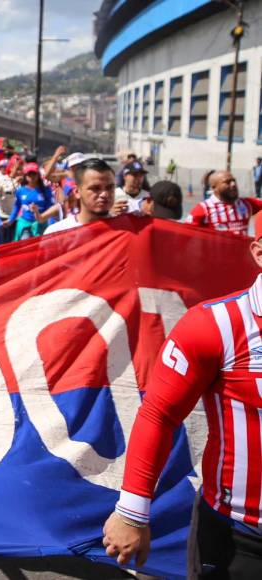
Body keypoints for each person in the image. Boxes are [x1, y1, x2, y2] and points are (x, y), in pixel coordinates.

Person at [102, 213, 262, 577]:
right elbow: (160, 414)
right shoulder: (215, 324)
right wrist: (131, 511)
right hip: (240, 537)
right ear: (258, 253)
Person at [44, 158, 116, 235]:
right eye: (95, 188)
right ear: (77, 192)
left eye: (109, 187)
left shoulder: (127, 228)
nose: (104, 194)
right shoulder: (56, 234)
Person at [187, 170, 262, 236]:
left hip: (242, 251)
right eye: (227, 182)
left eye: (234, 181)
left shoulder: (246, 204)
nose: (233, 184)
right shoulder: (203, 209)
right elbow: (185, 234)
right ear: (214, 187)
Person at [5, 163, 54, 241]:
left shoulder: (46, 190)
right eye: (29, 174)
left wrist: (51, 224)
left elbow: (50, 207)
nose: (31, 177)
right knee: (25, 244)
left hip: (41, 224)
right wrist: (10, 220)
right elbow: (17, 206)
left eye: (34, 174)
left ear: (38, 175)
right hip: (25, 224)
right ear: (25, 176)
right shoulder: (20, 190)